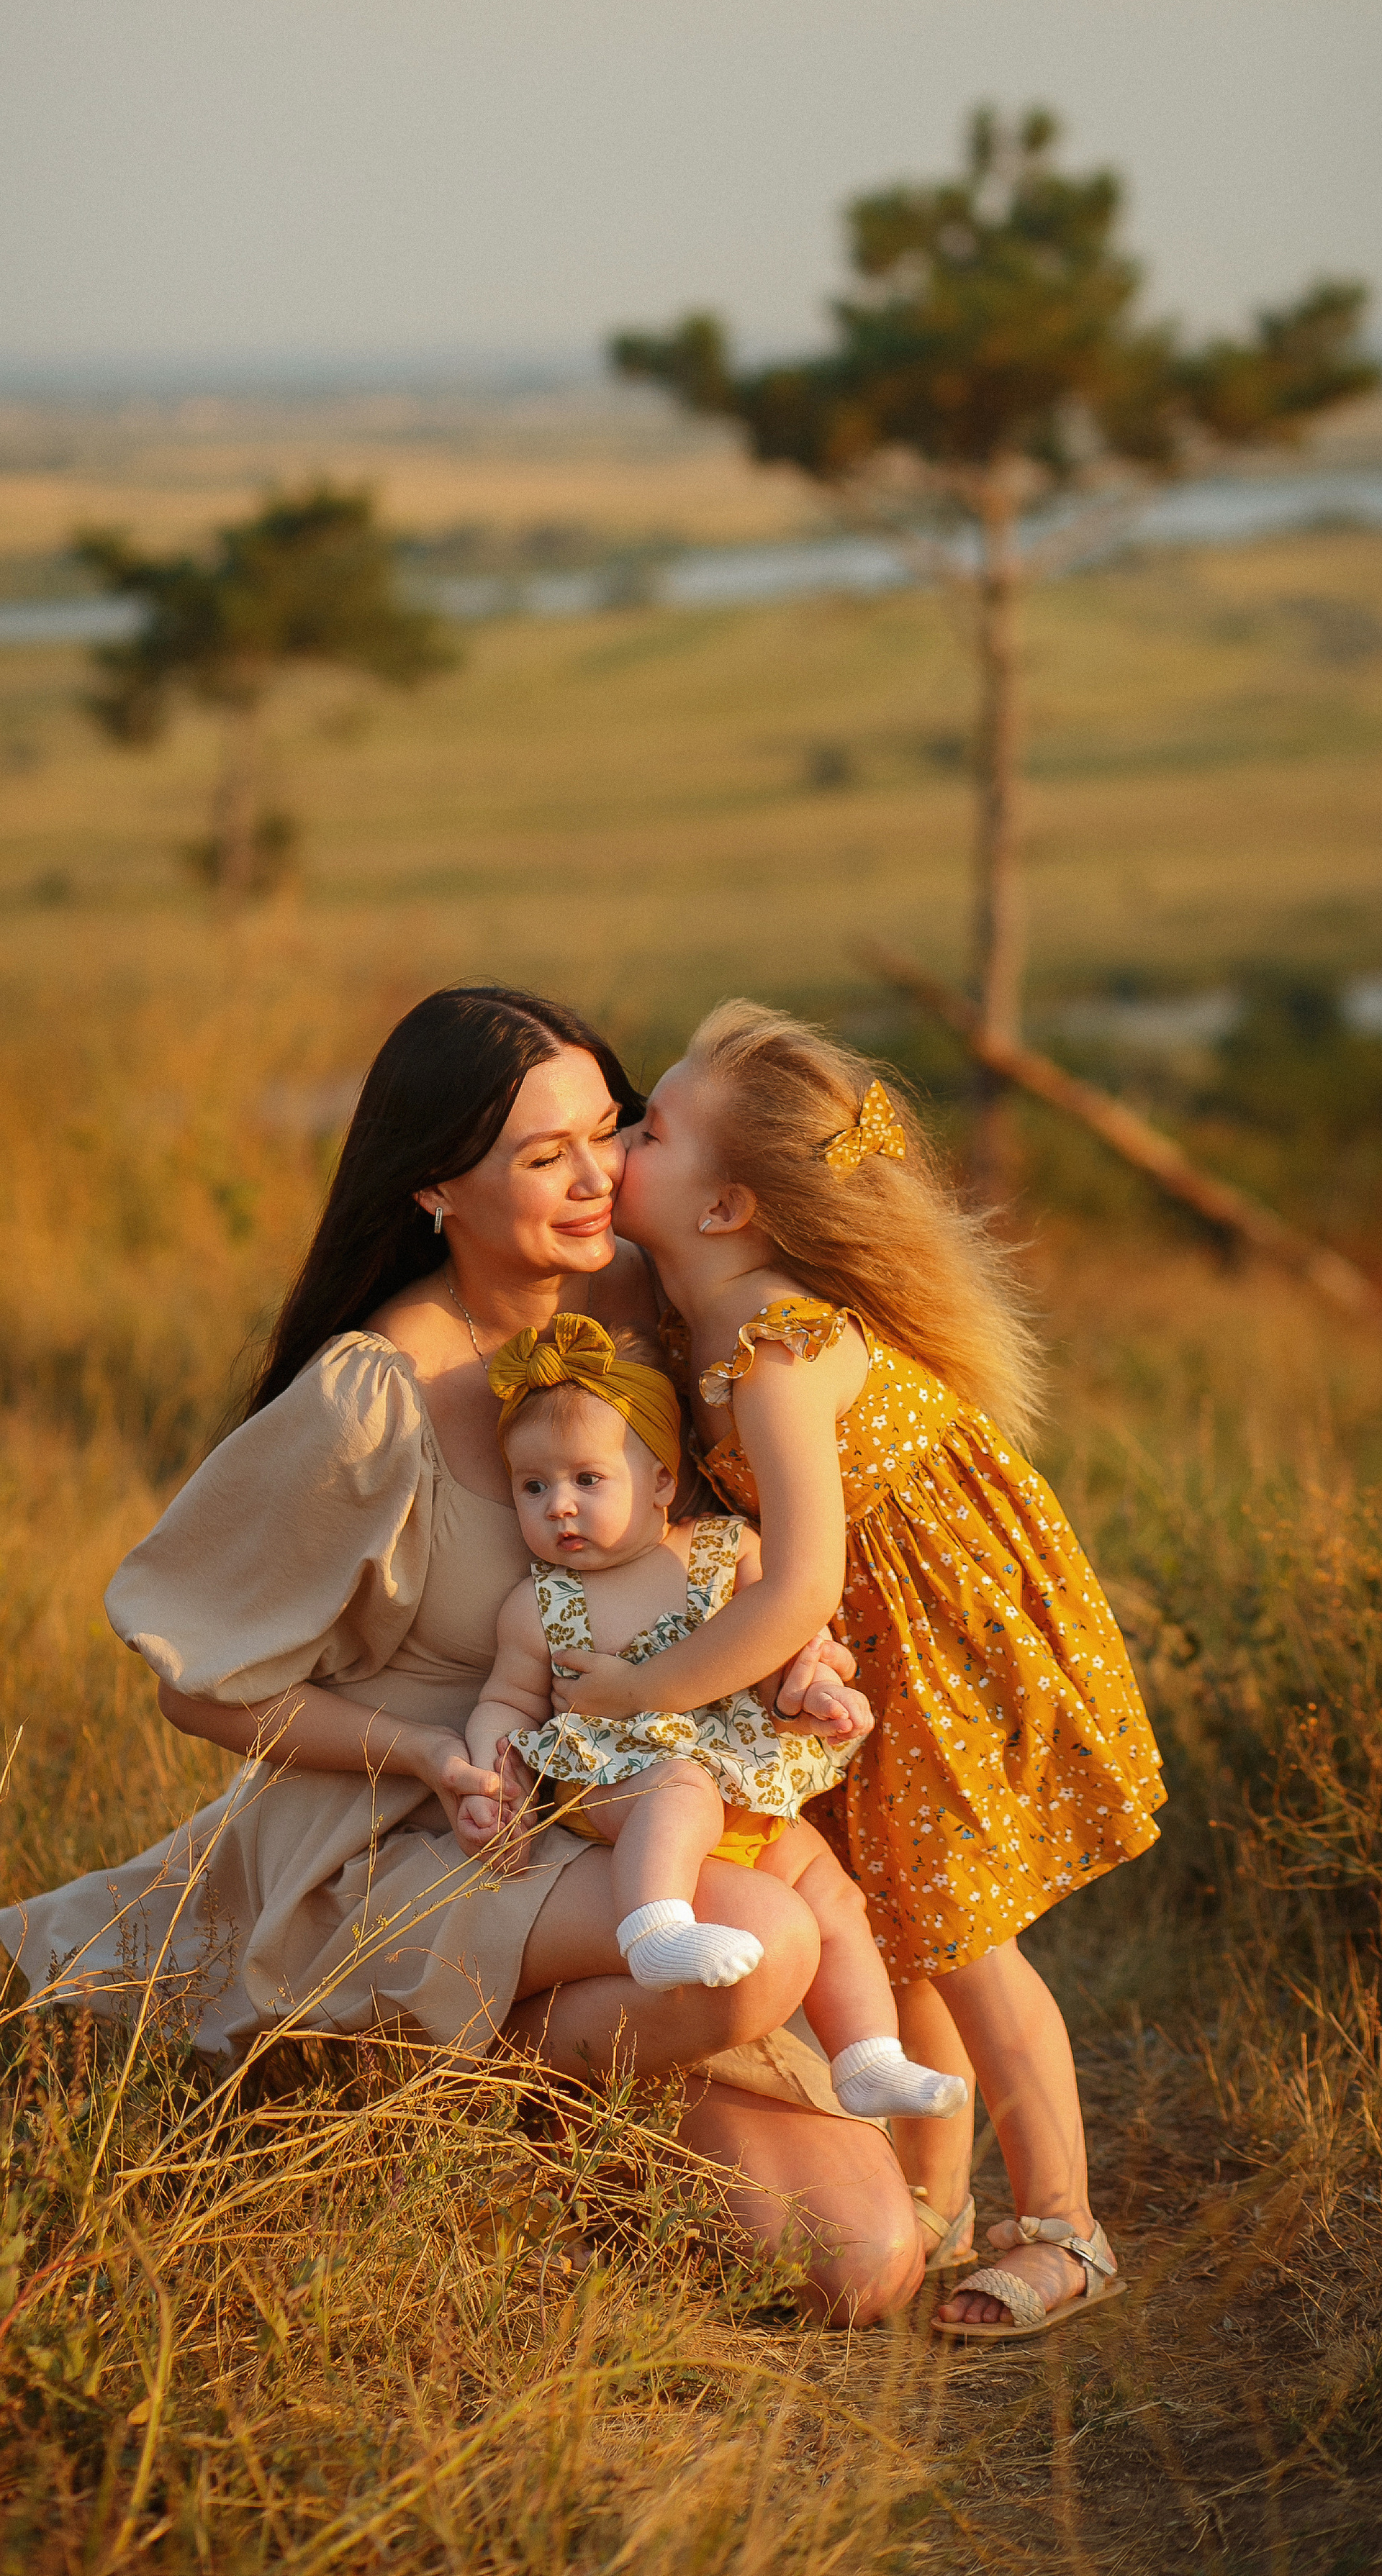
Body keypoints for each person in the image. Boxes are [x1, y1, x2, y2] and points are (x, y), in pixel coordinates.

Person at [0, 984, 923, 2325]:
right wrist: (430, 1751)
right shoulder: (374, 1391)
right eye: (546, 1157)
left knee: (862, 2263)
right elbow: (195, 1687)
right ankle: (407, 2079)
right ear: (436, 1187)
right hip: (428, 1834)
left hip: (622, 1823)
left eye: (611, 1130)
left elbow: (745, 1526)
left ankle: (538, 2101)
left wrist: (798, 1652)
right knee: (763, 1939)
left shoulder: (661, 1301)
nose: (599, 1178)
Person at [561, 999, 1166, 2342]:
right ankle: (936, 2199)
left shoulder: (774, 1344)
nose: (620, 1145)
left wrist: (642, 1692)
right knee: (900, 1926)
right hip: (868, 1651)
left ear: (726, 1207)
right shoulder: (694, 1313)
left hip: (940, 1641)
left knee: (968, 1940)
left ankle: (1067, 2226)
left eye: (648, 1132)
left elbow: (798, 1585)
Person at [463, 1311, 970, 2126]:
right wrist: (495, 1781)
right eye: (533, 1487)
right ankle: (653, 1929)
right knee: (680, 1788)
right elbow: (508, 1702)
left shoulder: (726, 1551)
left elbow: (781, 1653)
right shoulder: (540, 1605)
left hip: (745, 1790)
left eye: (587, 1480)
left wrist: (816, 1690)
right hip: (620, 1786)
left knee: (833, 1896)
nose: (559, 1507)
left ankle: (867, 2058)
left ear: (661, 1481)